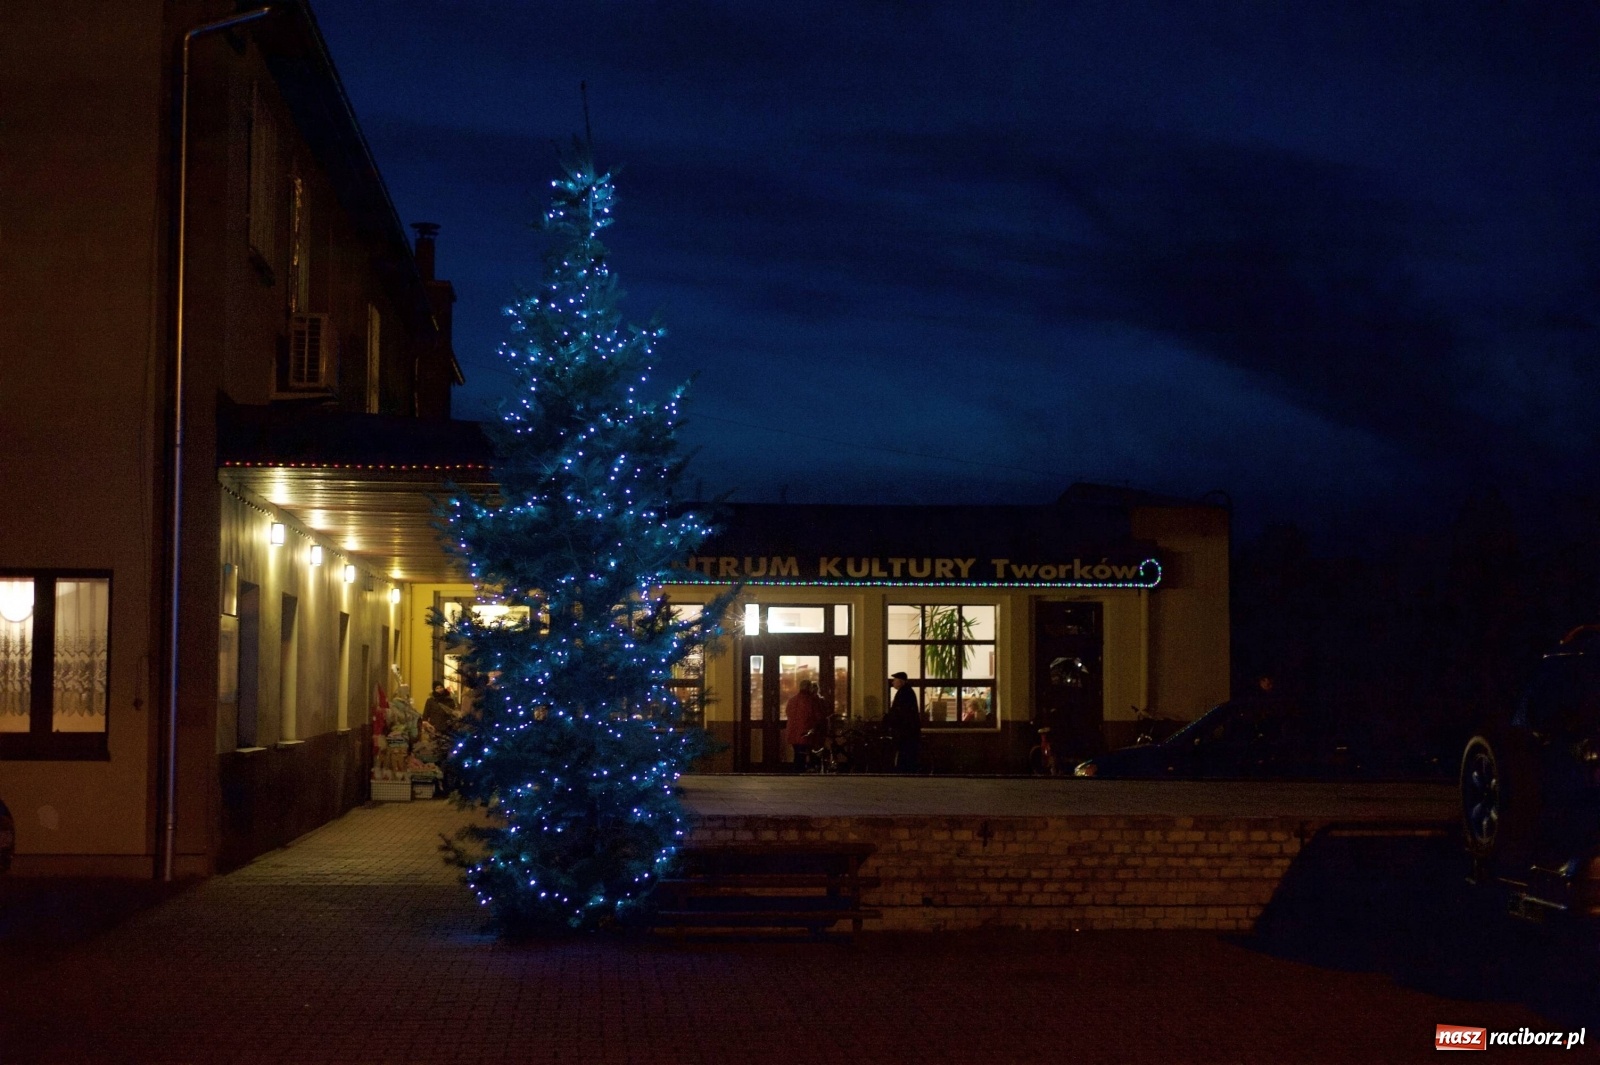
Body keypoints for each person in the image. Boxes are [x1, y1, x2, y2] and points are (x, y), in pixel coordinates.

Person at [785, 679, 828, 771]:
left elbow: (788, 713)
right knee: (805, 755)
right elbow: (818, 716)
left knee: (798, 754)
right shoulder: (811, 701)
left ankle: (796, 771)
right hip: (806, 732)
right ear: (809, 688)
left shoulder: (792, 700)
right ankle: (803, 773)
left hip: (793, 732)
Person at [885, 671, 922, 773]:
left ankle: (904, 770)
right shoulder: (907, 692)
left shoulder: (903, 693)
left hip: (905, 729)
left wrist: (889, 720)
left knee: (904, 749)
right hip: (909, 729)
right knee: (906, 750)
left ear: (900, 682)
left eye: (894, 680)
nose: (892, 683)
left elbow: (899, 712)